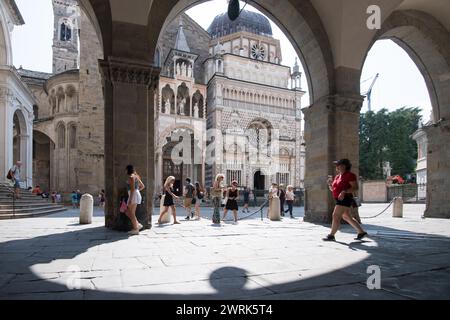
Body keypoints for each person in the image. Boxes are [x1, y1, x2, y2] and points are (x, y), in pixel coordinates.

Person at [323, 159, 368, 242]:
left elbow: (355, 188)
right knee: (346, 217)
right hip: (338, 198)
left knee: (335, 215)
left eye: (338, 164)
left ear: (344, 166)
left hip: (345, 198)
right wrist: (330, 185)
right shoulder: (337, 176)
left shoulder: (350, 175)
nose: (336, 166)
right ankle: (361, 232)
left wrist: (344, 191)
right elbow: (334, 189)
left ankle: (331, 235)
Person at [125, 165, 146, 235]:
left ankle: (135, 229)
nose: (125, 171)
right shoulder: (136, 176)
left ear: (128, 170)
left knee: (131, 213)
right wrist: (137, 191)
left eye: (126, 170)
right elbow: (143, 186)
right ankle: (137, 225)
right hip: (135, 194)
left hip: (133, 195)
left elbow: (132, 189)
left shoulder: (131, 177)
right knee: (128, 212)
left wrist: (130, 199)